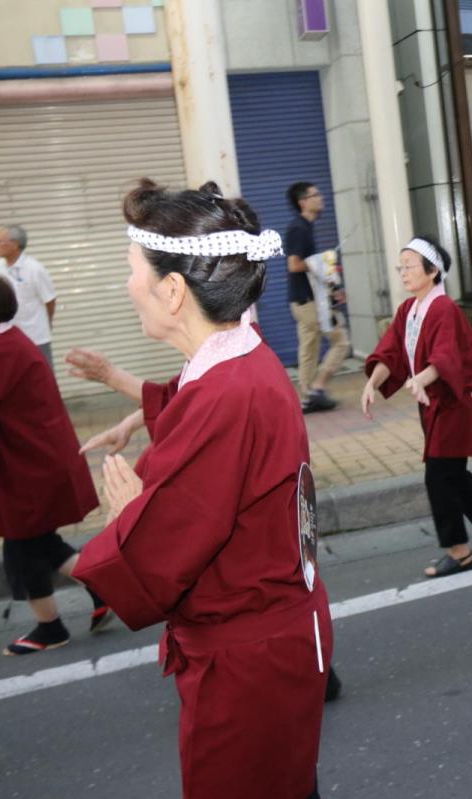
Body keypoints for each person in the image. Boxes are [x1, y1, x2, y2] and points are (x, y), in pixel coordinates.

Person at [71, 179, 333, 799]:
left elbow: (158, 558)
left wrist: (131, 514)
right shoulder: (241, 358)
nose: (126, 282)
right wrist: (124, 391)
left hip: (248, 666)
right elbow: (194, 417)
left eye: (132, 267)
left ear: (172, 288)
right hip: (273, 643)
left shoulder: (225, 393)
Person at [361, 236, 472, 578]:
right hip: (433, 405)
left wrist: (422, 377)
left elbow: (446, 358)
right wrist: (373, 382)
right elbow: (389, 353)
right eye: (400, 267)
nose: (403, 273)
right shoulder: (409, 310)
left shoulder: (444, 308)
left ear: (432, 272)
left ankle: (459, 551)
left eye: (410, 266)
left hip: (453, 403)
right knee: (455, 478)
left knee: (439, 477)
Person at [0, 273, 111, 655]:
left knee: (22, 546)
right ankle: (101, 588)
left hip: (29, 468)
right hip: (32, 463)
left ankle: (51, 627)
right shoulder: (6, 342)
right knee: (36, 541)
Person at [284, 181, 350, 413]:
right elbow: (294, 265)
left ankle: (306, 396)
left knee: (308, 349)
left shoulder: (305, 228)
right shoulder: (298, 229)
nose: (321, 198)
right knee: (341, 341)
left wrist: (334, 288)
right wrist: (322, 261)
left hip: (306, 301)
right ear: (304, 202)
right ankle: (318, 388)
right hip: (308, 303)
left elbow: (316, 271)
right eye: (315, 195)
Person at [0, 224, 57, 366]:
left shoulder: (34, 269)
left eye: (0, 241)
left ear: (15, 244)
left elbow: (50, 300)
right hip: (11, 338)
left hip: (36, 337)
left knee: (42, 377)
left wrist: (47, 323)